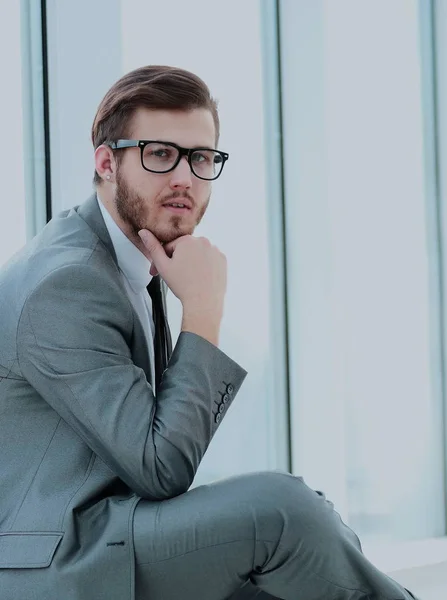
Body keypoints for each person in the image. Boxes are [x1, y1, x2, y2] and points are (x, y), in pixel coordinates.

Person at [0, 65, 419, 600]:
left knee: (287, 570)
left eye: (201, 158)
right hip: (58, 563)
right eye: (159, 154)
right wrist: (202, 308)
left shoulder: (127, 261)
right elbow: (160, 468)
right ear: (106, 163)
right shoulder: (67, 281)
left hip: (108, 536)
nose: (185, 178)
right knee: (283, 514)